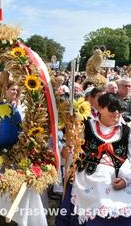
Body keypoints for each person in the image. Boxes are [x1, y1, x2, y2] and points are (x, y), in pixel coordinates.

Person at [56, 93, 131, 225]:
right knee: (96, 195)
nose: (117, 113)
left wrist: (126, 180)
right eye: (113, 109)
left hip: (118, 176)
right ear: (100, 108)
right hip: (88, 175)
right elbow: (73, 151)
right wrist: (66, 153)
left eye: (120, 109)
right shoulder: (85, 126)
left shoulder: (126, 131)